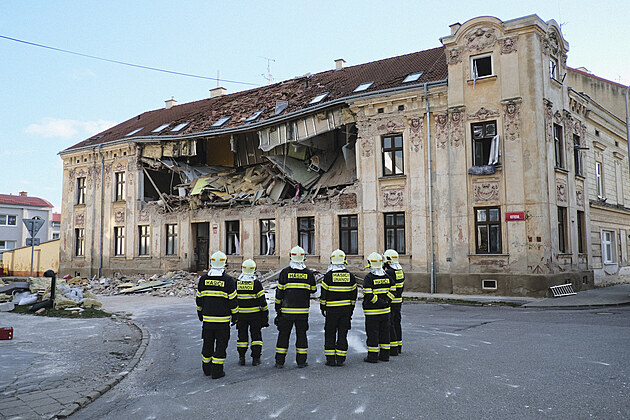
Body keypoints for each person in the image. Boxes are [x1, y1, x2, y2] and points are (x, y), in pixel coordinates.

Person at [196, 251, 239, 379]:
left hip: (207, 321)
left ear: (211, 263)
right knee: (221, 345)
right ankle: (217, 371)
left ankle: (206, 368)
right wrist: (235, 316)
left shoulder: (203, 279)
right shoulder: (228, 280)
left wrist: (200, 313)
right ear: (225, 264)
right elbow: (233, 301)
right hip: (222, 321)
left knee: (207, 343)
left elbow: (199, 300)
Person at [274, 245, 317, 368]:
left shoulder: (285, 273)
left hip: (286, 312)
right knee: (301, 335)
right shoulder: (308, 273)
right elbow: (313, 290)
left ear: (290, 257)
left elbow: (279, 292)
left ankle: (279, 361)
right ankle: (301, 361)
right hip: (302, 312)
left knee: (283, 336)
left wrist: (277, 308)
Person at [320, 249, 357, 366]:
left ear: (332, 261)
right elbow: (353, 296)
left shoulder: (328, 276)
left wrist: (323, 307)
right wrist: (351, 310)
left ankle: (330, 359)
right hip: (345, 311)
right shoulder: (350, 276)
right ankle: (340, 358)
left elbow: (323, 294)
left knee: (330, 333)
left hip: (331, 311)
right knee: (342, 334)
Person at [362, 252, 395, 363]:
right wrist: (387, 301)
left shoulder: (369, 278)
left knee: (373, 334)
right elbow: (393, 290)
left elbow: (368, 294)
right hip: (385, 312)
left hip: (372, 312)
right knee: (385, 333)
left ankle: (372, 356)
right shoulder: (387, 277)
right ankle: (385, 355)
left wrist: (378, 302)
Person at [235, 259, 269, 366]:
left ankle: (242, 357)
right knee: (256, 337)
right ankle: (256, 359)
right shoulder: (256, 283)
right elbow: (262, 301)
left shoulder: (236, 283)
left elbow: (233, 300)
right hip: (255, 316)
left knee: (242, 337)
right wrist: (265, 314)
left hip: (241, 315)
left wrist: (233, 315)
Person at [383, 249, 404, 356]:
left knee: (390, 324)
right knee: (397, 323)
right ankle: (399, 346)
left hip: (391, 302)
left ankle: (393, 348)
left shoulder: (389, 273)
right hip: (398, 302)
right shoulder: (400, 271)